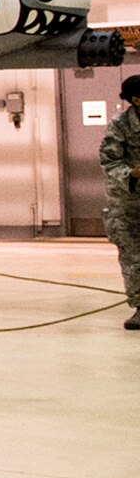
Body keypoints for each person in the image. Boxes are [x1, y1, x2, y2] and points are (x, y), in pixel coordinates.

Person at [100, 74, 140, 330]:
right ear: (136, 100)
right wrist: (132, 174)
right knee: (134, 258)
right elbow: (109, 162)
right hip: (128, 205)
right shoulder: (120, 125)